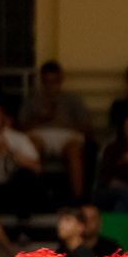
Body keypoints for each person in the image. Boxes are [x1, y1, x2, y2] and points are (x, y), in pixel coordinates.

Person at [19, 61, 94, 204]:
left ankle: (78, 202)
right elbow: (20, 128)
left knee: (75, 151)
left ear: (61, 80)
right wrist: (39, 118)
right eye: (47, 82)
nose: (51, 86)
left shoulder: (72, 100)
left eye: (54, 82)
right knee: (31, 148)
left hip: (68, 136)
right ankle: (30, 201)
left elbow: (88, 129)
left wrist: (67, 124)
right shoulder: (32, 100)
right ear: (42, 81)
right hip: (39, 134)